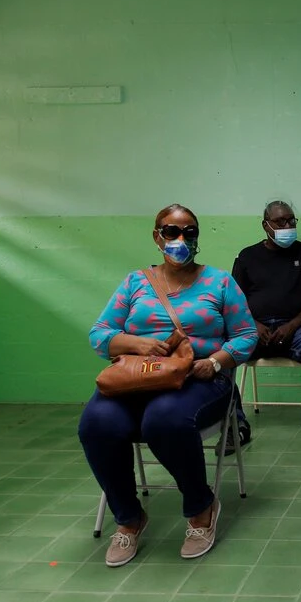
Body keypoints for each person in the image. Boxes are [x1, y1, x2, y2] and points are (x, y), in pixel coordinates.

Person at [79, 204, 258, 568]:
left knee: (163, 420)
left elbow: (246, 335)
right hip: (138, 375)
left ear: (197, 237)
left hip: (198, 378)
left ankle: (200, 507)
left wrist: (214, 362)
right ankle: (129, 518)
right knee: (96, 424)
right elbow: (100, 336)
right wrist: (137, 343)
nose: (179, 239)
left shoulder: (220, 282)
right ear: (156, 236)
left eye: (188, 232)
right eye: (170, 231)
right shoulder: (135, 282)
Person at [230, 200, 301, 465]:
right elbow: (233, 301)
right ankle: (236, 427)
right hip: (255, 329)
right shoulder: (247, 257)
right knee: (222, 354)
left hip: (297, 328)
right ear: (265, 224)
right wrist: (253, 325)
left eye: (291, 220)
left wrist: (292, 325)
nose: (287, 226)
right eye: (281, 222)